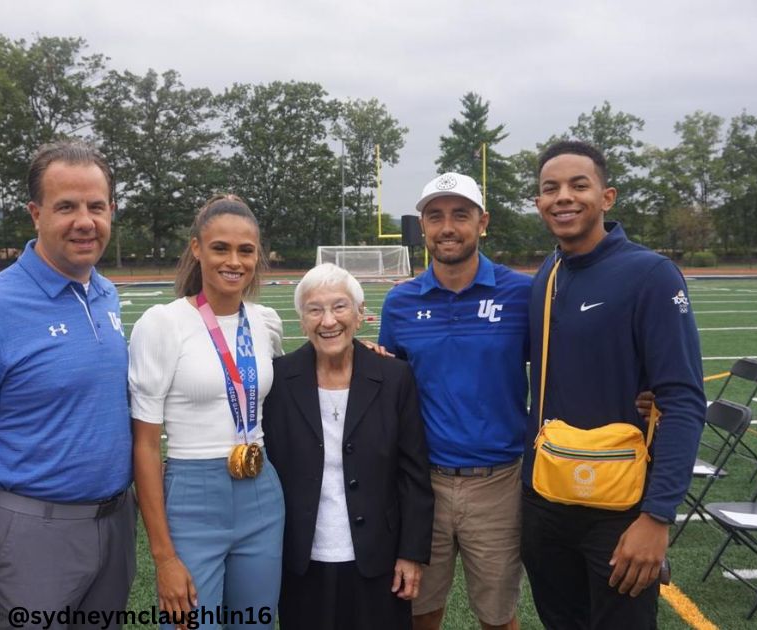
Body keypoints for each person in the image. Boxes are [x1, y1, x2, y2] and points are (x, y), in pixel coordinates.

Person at [0, 140, 135, 629]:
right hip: (30, 532)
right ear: (35, 214)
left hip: (116, 525)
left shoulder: (104, 293)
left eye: (96, 206)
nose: (85, 221)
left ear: (111, 211)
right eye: (66, 207)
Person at [522, 140, 704, 629]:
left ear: (607, 197)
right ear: (539, 202)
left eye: (579, 185)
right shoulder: (549, 271)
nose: (563, 197)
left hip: (619, 508)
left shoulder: (650, 273)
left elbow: (683, 400)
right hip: (545, 498)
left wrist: (657, 516)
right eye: (550, 188)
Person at [378, 173, 531, 630]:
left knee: (498, 616)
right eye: (435, 216)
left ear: (483, 223)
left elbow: (557, 371)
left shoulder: (523, 294)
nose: (447, 226)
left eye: (460, 215)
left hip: (500, 482)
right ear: (422, 227)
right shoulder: (400, 302)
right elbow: (391, 385)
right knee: (418, 611)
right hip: (423, 484)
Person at [130, 194, 286, 629]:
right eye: (220, 248)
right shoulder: (163, 324)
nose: (233, 261)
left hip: (261, 494)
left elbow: (296, 379)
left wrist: (362, 352)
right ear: (197, 249)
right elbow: (144, 446)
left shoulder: (265, 321)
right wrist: (163, 556)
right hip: (191, 498)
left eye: (246, 250)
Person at [263, 263, 434, 630]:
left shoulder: (394, 377)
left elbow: (413, 473)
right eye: (315, 309)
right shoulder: (278, 380)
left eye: (339, 307)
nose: (328, 321)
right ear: (301, 318)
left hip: (379, 558)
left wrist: (410, 553)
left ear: (359, 315)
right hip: (301, 560)